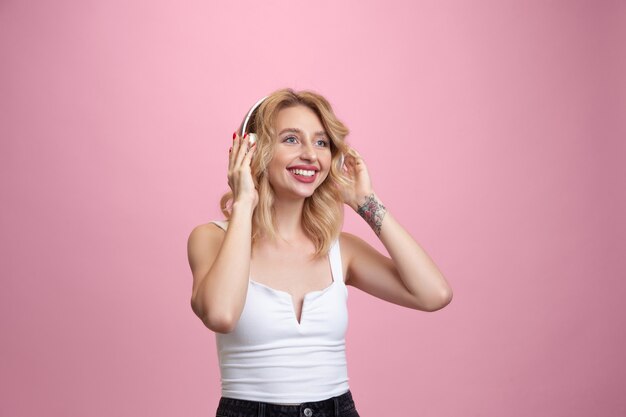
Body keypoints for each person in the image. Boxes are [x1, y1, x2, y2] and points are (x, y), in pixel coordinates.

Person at [187, 88, 453, 417]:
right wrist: (244, 202)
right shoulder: (211, 238)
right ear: (253, 151)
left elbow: (434, 293)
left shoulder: (340, 250)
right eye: (291, 139)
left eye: (321, 142)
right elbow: (221, 315)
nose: (311, 155)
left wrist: (364, 202)